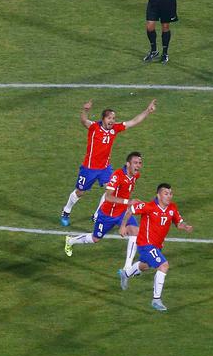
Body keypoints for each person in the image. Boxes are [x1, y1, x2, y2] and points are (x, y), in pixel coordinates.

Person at [59, 99, 156, 226]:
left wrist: (147, 111)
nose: (112, 121)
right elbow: (83, 120)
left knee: (110, 191)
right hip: (89, 168)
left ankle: (97, 214)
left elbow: (133, 121)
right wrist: (85, 110)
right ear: (103, 119)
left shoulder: (115, 129)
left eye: (114, 118)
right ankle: (66, 211)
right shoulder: (94, 127)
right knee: (80, 192)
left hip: (105, 168)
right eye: (109, 118)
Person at [118, 183, 193, 312]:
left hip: (157, 245)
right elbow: (131, 210)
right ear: (158, 195)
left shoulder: (172, 208)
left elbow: (179, 223)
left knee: (145, 266)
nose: (169, 196)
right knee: (163, 265)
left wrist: (185, 226)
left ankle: (125, 274)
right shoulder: (149, 206)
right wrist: (123, 226)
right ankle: (156, 300)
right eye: (166, 193)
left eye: (170, 193)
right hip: (145, 244)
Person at [65, 151, 143, 271]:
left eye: (140, 163)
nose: (138, 165)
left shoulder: (135, 176)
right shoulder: (117, 176)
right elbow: (108, 197)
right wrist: (128, 202)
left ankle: (127, 267)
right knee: (95, 238)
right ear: (128, 164)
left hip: (122, 212)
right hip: (107, 214)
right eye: (135, 163)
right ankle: (71, 241)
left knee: (135, 231)